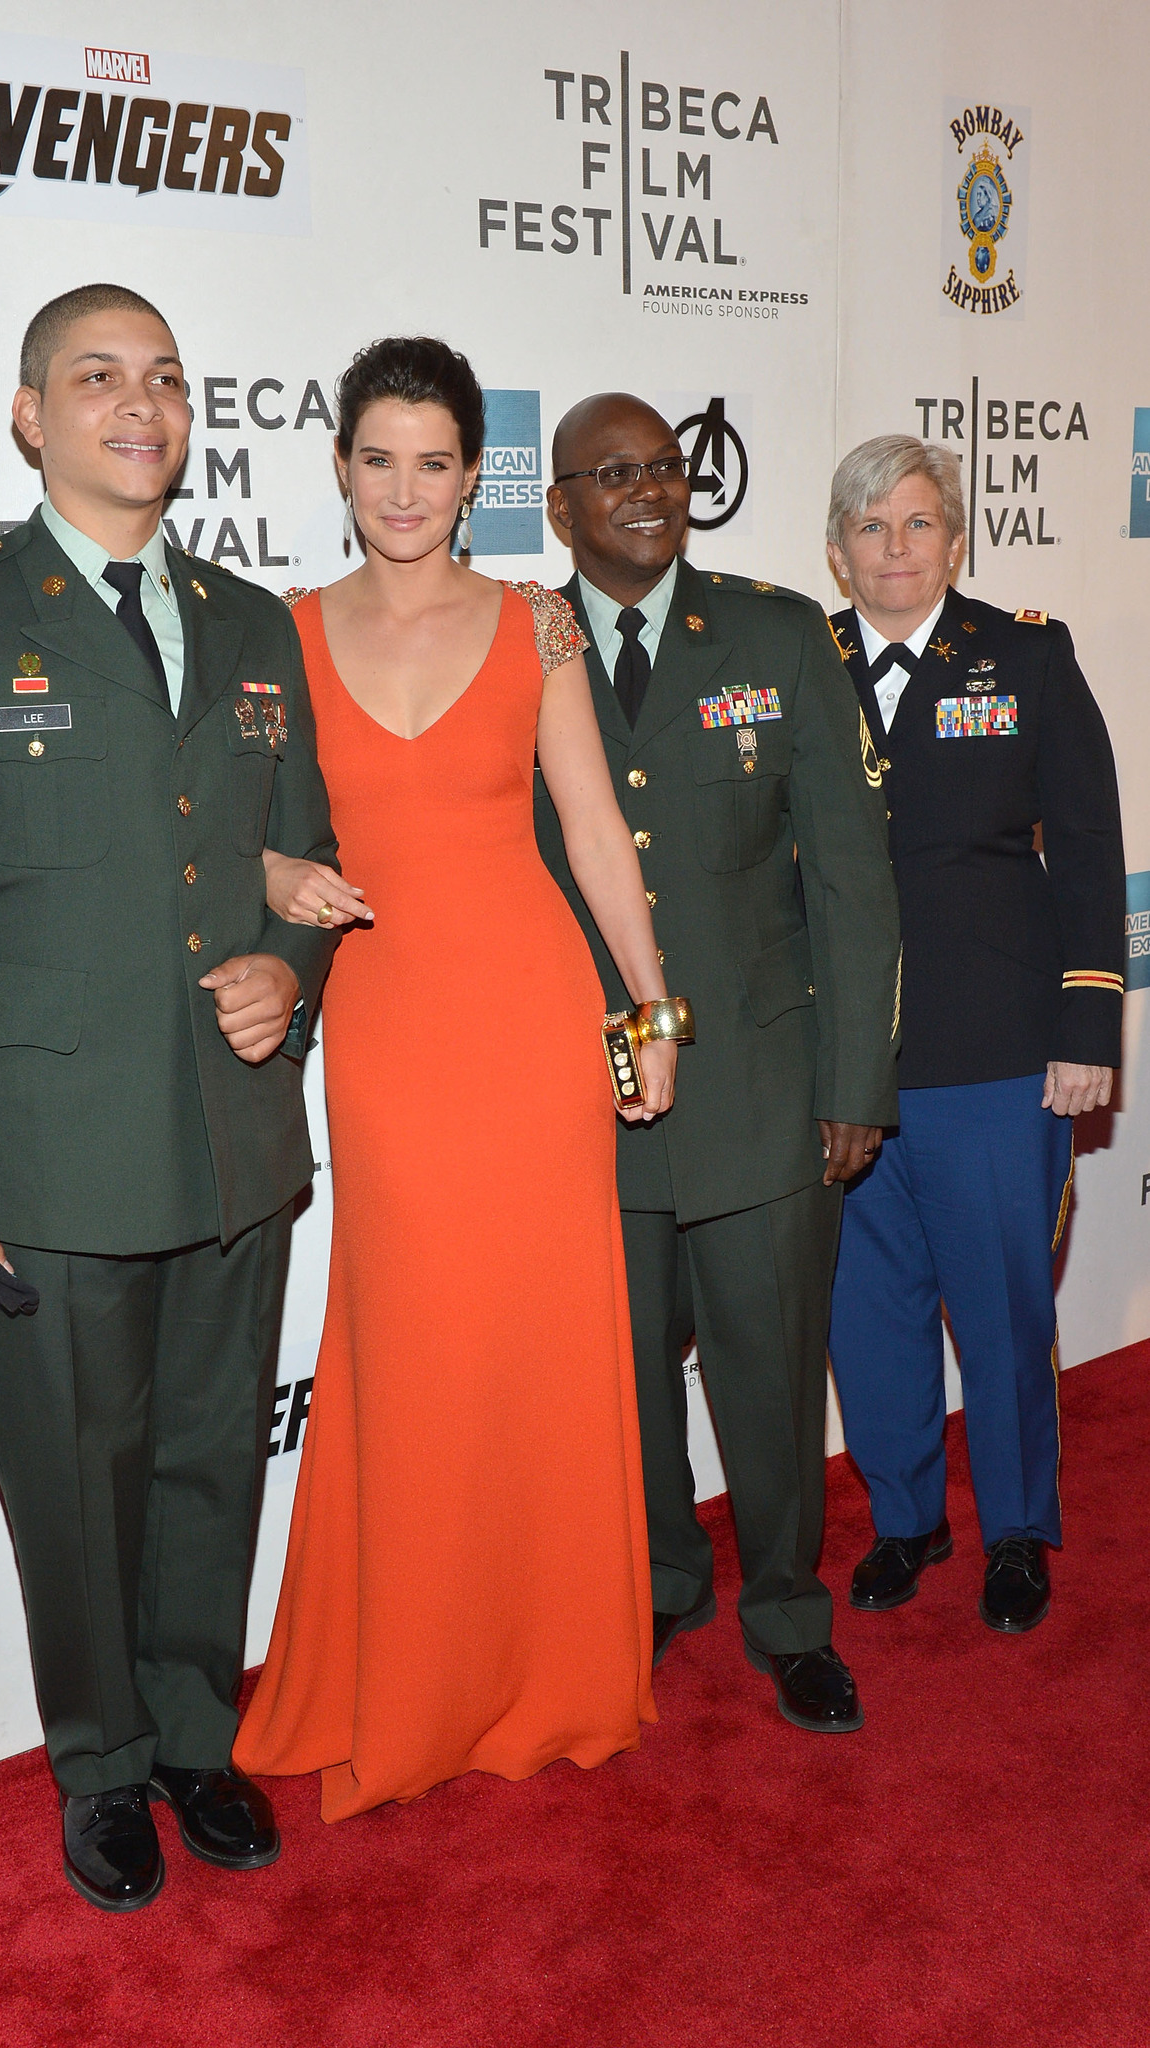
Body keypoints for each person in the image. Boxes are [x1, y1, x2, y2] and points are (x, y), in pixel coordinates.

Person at [0, 284, 340, 1910]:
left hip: (232, 1140)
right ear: (30, 416)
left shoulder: (259, 627)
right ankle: (102, 1762)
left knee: (208, 1460)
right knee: (75, 1477)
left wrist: (288, 972)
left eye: (167, 378)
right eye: (98, 376)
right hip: (46, 1161)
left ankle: (194, 1730)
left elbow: (298, 865)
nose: (142, 403)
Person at [234, 337, 678, 1820]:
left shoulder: (537, 624)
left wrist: (649, 1002)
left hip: (530, 1012)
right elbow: (206, 830)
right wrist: (278, 867)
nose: (405, 489)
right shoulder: (282, 633)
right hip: (389, 1025)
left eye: (434, 462)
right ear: (341, 465)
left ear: (473, 474)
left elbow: (595, 831)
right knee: (414, 1342)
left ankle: (550, 1667)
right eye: (378, 459)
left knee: (542, 1341)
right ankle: (411, 1681)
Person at [536, 394, 901, 1733]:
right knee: (620, 1383)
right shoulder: (520, 643)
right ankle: (656, 1584)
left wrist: (854, 1082)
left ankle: (788, 1613)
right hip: (591, 1102)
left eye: (664, 468)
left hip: (757, 1087)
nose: (646, 490)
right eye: (610, 474)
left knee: (765, 1368)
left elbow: (853, 878)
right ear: (559, 502)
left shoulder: (772, 632)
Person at [825, 434, 1124, 1632]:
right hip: (844, 1060)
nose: (893, 549)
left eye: (916, 524)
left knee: (1003, 1309)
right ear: (835, 549)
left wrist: (1089, 1019)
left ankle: (1015, 1528)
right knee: (870, 1307)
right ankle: (907, 1518)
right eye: (868, 526)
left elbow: (1094, 846)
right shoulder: (802, 662)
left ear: (955, 539)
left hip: (1000, 1052)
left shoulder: (1028, 655)